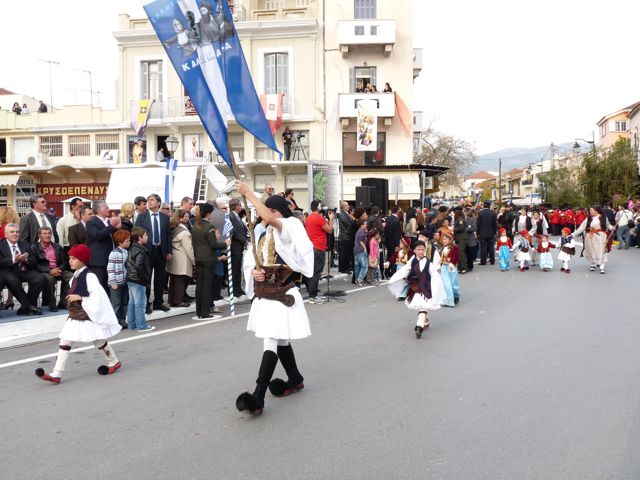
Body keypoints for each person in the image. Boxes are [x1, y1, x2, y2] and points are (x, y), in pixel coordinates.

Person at [234, 181, 314, 416]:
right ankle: (295, 378)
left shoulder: (291, 225)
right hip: (266, 295)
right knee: (280, 340)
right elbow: (253, 261)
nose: (265, 214)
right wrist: (254, 272)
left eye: (271, 210)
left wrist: (249, 193)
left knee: (271, 339)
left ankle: (258, 396)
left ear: (280, 211)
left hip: (282, 293)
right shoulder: (264, 234)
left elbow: (269, 218)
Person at [35, 244, 122, 384]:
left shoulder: (90, 276)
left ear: (82, 260)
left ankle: (113, 361)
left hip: (86, 315)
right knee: (66, 341)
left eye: (73, 258)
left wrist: (80, 297)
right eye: (70, 258)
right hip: (76, 314)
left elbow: (97, 297)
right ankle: (57, 373)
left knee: (97, 339)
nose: (70, 261)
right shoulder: (76, 275)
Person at [387, 241, 446, 339]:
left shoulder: (428, 262)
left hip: (426, 288)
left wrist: (436, 288)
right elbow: (405, 270)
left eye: (423, 249)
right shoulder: (412, 260)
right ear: (414, 250)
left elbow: (434, 276)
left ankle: (419, 327)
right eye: (419, 249)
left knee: (422, 307)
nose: (421, 251)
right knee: (421, 306)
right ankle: (425, 321)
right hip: (415, 288)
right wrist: (395, 279)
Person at [191, 203, 229, 319]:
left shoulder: (195, 225)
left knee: (200, 285)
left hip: (198, 258)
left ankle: (199, 311)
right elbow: (214, 245)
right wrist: (226, 243)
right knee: (207, 286)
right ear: (208, 214)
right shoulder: (209, 227)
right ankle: (205, 312)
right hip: (208, 259)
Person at [135, 193, 172, 312]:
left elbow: (168, 235)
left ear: (158, 203)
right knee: (146, 278)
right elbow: (136, 234)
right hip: (146, 252)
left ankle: (158, 303)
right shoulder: (142, 217)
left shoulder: (165, 217)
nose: (149, 202)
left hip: (161, 251)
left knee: (160, 279)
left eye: (152, 200)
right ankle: (145, 304)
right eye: (148, 200)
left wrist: (169, 251)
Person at [0, 223, 45, 315]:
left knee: (40, 278)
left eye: (17, 232)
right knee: (12, 279)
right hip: (7, 272)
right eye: (12, 232)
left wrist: (26, 259)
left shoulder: (24, 244)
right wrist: (14, 260)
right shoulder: (1, 245)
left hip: (23, 270)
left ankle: (27, 307)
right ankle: (28, 306)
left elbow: (34, 259)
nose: (15, 234)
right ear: (6, 234)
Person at [30, 226, 73, 312]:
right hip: (44, 271)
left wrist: (59, 269)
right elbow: (35, 264)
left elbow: (65, 261)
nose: (47, 235)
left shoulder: (57, 247)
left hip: (58, 269)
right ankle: (52, 304)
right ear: (39, 236)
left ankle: (63, 303)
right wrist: (49, 271)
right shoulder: (34, 248)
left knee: (72, 277)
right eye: (44, 233)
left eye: (49, 233)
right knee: (50, 279)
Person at [86, 200, 122, 292]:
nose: (108, 209)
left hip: (110, 258)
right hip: (99, 261)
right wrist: (112, 226)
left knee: (110, 287)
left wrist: (118, 228)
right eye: (106, 208)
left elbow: (111, 236)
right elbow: (97, 235)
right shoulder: (91, 222)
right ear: (99, 210)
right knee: (100, 287)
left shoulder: (108, 221)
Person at [125, 227, 155, 332]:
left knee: (132, 302)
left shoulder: (131, 248)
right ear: (139, 237)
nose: (147, 237)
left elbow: (127, 264)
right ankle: (142, 326)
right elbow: (139, 266)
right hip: (138, 280)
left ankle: (132, 324)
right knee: (140, 303)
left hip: (130, 278)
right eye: (145, 235)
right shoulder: (141, 250)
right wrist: (144, 278)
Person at [303, 200, 333, 304]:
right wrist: (331, 219)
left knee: (312, 271)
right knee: (316, 272)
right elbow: (329, 230)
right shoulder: (319, 218)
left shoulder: (308, 218)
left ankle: (312, 293)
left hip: (312, 247)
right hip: (319, 247)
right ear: (318, 207)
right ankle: (313, 296)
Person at [573, 205, 615, 274]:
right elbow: (582, 227)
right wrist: (573, 234)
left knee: (602, 250)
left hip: (601, 237)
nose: (590, 212)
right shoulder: (588, 218)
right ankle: (593, 264)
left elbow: (608, 225)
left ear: (596, 211)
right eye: (590, 210)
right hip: (590, 237)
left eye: (591, 211)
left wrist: (612, 227)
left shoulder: (604, 217)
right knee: (591, 250)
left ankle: (602, 266)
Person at [166, 209, 195, 308]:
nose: (188, 218)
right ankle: (178, 301)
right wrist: (194, 261)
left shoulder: (173, 228)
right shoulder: (184, 232)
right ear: (180, 218)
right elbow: (189, 249)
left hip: (173, 258)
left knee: (173, 280)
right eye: (186, 216)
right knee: (180, 281)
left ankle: (172, 300)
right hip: (182, 259)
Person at [107, 230, 131, 328]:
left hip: (124, 281)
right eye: (127, 241)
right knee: (116, 303)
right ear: (120, 242)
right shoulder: (114, 253)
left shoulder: (126, 252)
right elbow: (110, 268)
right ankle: (114, 323)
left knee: (124, 302)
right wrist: (113, 281)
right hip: (115, 283)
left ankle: (122, 321)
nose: (129, 242)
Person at [228, 197, 249, 299]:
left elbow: (242, 230)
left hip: (239, 247)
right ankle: (233, 290)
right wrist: (244, 240)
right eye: (239, 205)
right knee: (234, 269)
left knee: (238, 269)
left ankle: (238, 289)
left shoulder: (237, 216)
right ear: (235, 206)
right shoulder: (231, 216)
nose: (241, 206)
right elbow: (234, 232)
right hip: (235, 246)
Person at [437, 230, 460, 307]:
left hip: (451, 267)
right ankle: (448, 301)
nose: (444, 241)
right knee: (446, 284)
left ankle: (456, 295)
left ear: (450, 240)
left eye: (446, 239)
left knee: (453, 284)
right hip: (444, 267)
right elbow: (441, 258)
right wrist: (439, 265)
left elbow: (455, 257)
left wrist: (452, 264)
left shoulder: (454, 247)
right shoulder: (443, 248)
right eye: (443, 239)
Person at [476, 200, 498, 265]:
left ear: (483, 205)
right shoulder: (493, 213)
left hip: (482, 233)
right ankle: (492, 260)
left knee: (483, 248)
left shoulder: (480, 213)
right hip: (491, 233)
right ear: (489, 206)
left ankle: (483, 261)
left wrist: (477, 233)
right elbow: (495, 224)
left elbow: (478, 224)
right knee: (491, 247)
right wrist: (495, 232)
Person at [338, 201, 354, 273]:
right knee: (344, 253)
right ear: (344, 207)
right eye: (347, 205)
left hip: (347, 236)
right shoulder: (342, 214)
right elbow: (346, 224)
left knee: (347, 253)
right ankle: (343, 268)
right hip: (345, 236)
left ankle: (346, 267)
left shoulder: (346, 214)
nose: (348, 206)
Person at [452, 207, 468, 273]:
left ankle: (464, 267)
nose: (454, 214)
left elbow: (462, 228)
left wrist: (453, 229)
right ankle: (460, 267)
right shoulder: (458, 219)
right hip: (459, 238)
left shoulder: (460, 219)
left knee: (461, 253)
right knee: (459, 253)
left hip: (462, 238)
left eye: (455, 212)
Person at [353, 219, 368, 286]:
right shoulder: (361, 231)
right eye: (365, 224)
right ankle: (359, 279)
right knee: (364, 266)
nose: (366, 225)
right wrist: (364, 248)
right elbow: (360, 241)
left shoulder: (359, 231)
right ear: (362, 225)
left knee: (357, 266)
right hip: (360, 250)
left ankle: (357, 280)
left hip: (356, 250)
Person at [464, 208, 477, 272]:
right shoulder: (460, 219)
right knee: (463, 253)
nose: (465, 213)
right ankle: (464, 266)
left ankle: (470, 266)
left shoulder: (471, 219)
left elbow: (474, 228)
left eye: (466, 212)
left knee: (470, 253)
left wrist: (466, 229)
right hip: (462, 239)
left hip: (470, 238)